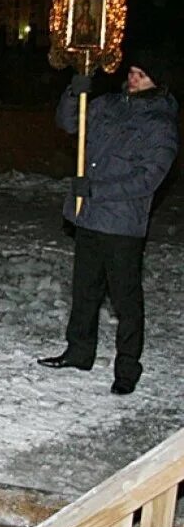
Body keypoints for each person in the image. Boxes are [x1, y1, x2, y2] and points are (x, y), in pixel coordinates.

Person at [37, 54, 179, 395]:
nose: (133, 79)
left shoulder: (160, 124)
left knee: (125, 300)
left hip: (122, 225)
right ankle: (79, 351)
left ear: (157, 82)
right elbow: (69, 123)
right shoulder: (107, 104)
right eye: (132, 72)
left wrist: (98, 190)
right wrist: (74, 91)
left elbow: (147, 179)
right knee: (85, 290)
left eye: (142, 75)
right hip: (89, 216)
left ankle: (127, 366)